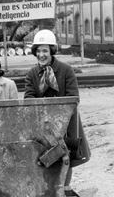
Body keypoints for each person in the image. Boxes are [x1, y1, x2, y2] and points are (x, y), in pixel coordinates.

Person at [24, 29, 90, 183]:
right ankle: (48, 192)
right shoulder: (32, 74)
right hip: (42, 125)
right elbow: (29, 99)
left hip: (65, 124)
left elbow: (73, 98)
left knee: (65, 156)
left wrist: (58, 117)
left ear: (52, 51)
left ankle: (64, 189)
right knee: (42, 158)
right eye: (38, 51)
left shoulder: (66, 70)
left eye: (45, 51)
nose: (41, 55)